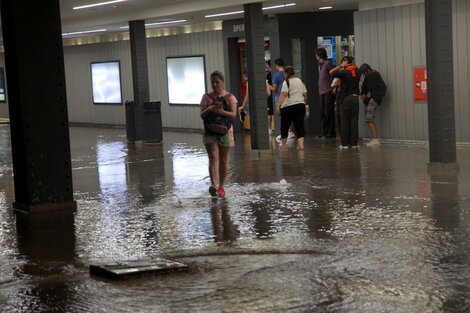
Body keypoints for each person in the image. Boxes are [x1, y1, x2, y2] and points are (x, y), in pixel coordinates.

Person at [200, 71, 238, 198]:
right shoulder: (206, 97)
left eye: (217, 82)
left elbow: (233, 115)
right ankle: (213, 185)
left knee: (223, 159)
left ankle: (221, 187)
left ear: (222, 82)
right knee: (212, 157)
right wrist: (210, 108)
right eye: (213, 82)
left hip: (225, 132)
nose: (215, 85)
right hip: (209, 131)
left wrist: (221, 111)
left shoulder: (230, 97)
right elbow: (202, 115)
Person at [332, 56, 361, 149]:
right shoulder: (358, 71)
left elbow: (331, 73)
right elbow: (357, 68)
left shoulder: (343, 73)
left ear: (346, 62)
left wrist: (341, 66)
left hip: (345, 99)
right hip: (356, 98)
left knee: (344, 122)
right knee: (354, 121)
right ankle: (354, 144)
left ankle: (344, 144)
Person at [275, 66, 308, 150]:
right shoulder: (300, 81)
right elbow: (305, 94)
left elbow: (284, 94)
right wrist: (303, 102)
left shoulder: (286, 82)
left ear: (285, 73)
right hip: (300, 105)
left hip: (288, 107)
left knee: (284, 126)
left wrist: (278, 105)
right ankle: (301, 145)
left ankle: (284, 145)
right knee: (299, 126)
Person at [359, 63, 386, 146]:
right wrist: (363, 94)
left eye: (364, 73)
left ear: (368, 70)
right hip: (368, 99)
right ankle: (375, 139)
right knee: (368, 119)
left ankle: (375, 139)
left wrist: (372, 94)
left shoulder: (376, 75)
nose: (364, 75)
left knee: (369, 118)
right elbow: (364, 88)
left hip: (374, 99)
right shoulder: (367, 76)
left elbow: (383, 88)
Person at [268, 58, 295, 141]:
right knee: (290, 115)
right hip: (289, 96)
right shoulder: (287, 73)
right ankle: (290, 132)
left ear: (276, 66)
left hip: (280, 97)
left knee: (283, 115)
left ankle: (285, 133)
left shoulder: (277, 75)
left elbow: (274, 89)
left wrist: (268, 86)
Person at [315, 47, 336, 139]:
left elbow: (334, 74)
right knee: (323, 113)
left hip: (328, 91)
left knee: (329, 112)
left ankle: (331, 132)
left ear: (320, 55)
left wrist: (334, 87)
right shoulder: (321, 65)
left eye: (316, 55)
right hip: (322, 92)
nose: (316, 57)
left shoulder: (328, 63)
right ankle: (324, 131)